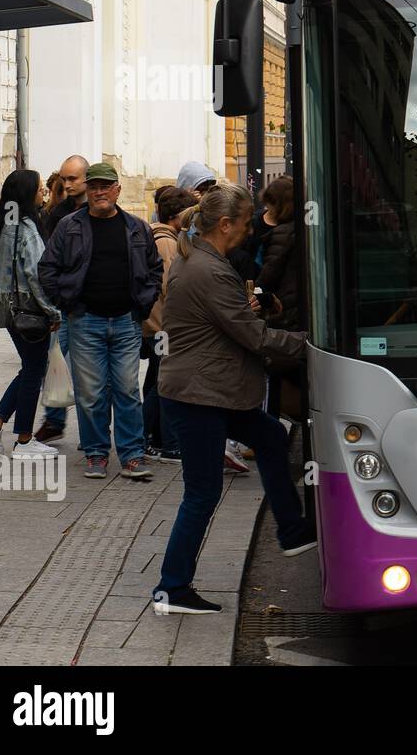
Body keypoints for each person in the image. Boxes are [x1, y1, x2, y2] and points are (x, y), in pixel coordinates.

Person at [152, 183, 316, 616]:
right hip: (199, 396)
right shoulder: (208, 269)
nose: (249, 232)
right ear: (225, 225)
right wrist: (313, 344)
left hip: (208, 391)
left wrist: (253, 309)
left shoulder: (202, 260)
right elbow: (253, 336)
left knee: (269, 436)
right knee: (202, 494)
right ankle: (172, 588)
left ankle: (294, 531)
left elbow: (229, 320)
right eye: (245, 224)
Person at [38, 162, 163, 480]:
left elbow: (154, 269)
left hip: (126, 321)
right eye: (93, 186)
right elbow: (47, 269)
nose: (99, 192)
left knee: (127, 391)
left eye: (106, 186)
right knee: (90, 392)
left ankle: (132, 456)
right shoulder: (69, 226)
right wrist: (66, 303)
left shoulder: (136, 227)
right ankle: (96, 453)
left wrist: (143, 305)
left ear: (117, 190)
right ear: (88, 191)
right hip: (85, 321)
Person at [0, 170, 61, 459]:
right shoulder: (25, 228)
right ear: (28, 194)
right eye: (39, 189)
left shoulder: (2, 223)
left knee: (30, 367)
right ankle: (24, 440)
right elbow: (36, 275)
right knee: (34, 369)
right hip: (28, 309)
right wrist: (53, 311)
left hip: (6, 308)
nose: (43, 194)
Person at [35, 155, 91, 444]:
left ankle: (91, 434)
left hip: (92, 303)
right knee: (54, 362)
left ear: (86, 179)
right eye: (64, 180)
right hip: (65, 302)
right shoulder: (59, 215)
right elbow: (48, 261)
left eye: (73, 179)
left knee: (89, 373)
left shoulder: (100, 210)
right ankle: (55, 419)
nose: (67, 185)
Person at [142, 185, 199, 463]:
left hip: (156, 324)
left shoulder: (158, 236)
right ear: (178, 216)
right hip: (162, 325)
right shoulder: (166, 242)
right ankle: (165, 443)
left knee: (156, 380)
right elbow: (169, 286)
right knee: (163, 385)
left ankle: (149, 438)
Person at [255, 176, 300, 421]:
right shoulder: (304, 228)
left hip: (284, 310)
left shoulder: (283, 232)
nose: (267, 211)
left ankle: (267, 428)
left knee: (272, 371)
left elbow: (269, 273)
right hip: (297, 308)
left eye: (271, 205)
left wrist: (257, 295)